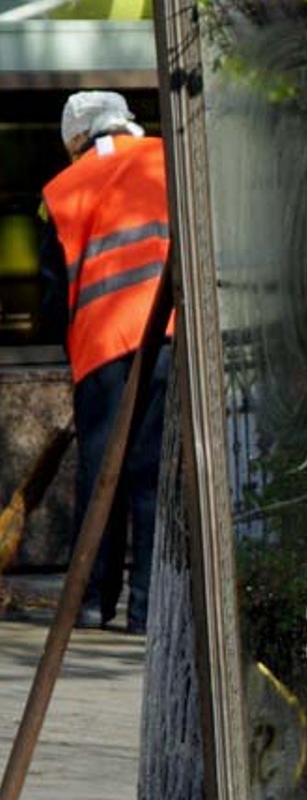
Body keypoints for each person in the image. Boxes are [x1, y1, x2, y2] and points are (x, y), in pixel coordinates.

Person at [40, 90, 172, 635]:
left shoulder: (59, 190)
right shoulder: (169, 161)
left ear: (76, 139)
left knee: (101, 475)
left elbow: (51, 295)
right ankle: (146, 611)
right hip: (164, 335)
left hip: (100, 345)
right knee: (150, 477)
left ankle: (95, 603)